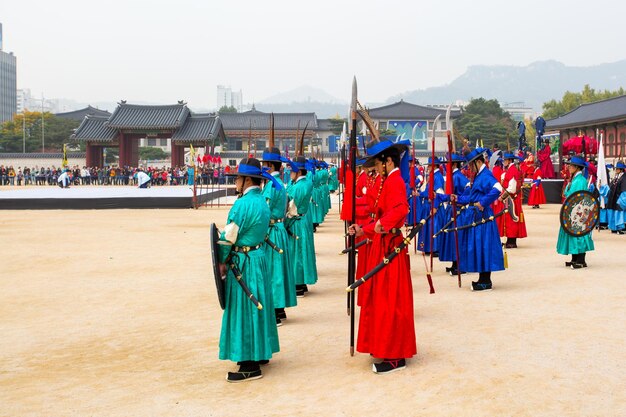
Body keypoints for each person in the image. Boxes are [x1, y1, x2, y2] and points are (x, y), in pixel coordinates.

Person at [348, 139, 416, 374]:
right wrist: (363, 229)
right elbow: (380, 214)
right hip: (382, 244)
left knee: (391, 300)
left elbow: (400, 209)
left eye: (377, 164)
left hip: (391, 248)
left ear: (388, 161)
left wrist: (382, 225)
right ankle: (383, 345)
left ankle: (396, 355)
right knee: (381, 299)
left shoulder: (395, 180)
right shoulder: (388, 180)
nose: (375, 169)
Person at [218, 157, 279, 382]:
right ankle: (261, 352)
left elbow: (229, 236)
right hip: (259, 257)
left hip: (244, 261)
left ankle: (249, 364)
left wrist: (222, 260)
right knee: (259, 305)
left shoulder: (242, 204)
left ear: (246, 180)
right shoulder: (262, 201)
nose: (235, 181)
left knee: (246, 308)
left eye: (237, 178)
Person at [450, 147, 505, 291]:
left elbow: (498, 188)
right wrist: (458, 199)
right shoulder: (478, 176)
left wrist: (483, 203)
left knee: (485, 245)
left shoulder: (485, 175)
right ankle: (483, 278)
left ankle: (486, 281)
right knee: (480, 246)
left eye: (471, 165)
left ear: (478, 162)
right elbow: (473, 197)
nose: (469, 168)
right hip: (477, 215)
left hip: (483, 216)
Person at [260, 147, 297, 326]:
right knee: (279, 269)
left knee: (273, 271)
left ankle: (275, 310)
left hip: (272, 231)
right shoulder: (280, 184)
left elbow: (264, 211)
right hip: (280, 228)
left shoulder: (270, 185)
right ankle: (280, 310)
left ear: (268, 165)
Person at [285, 156, 318, 297]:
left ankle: (298, 284)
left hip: (296, 221)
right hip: (303, 220)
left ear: (298, 172)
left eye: (292, 171)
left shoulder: (297, 187)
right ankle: (302, 283)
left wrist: (284, 223)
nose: (290, 174)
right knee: (303, 251)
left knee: (296, 253)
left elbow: (290, 207)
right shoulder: (308, 183)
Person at [556, 156, 595, 268]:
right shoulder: (575, 179)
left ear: (577, 167)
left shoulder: (579, 180)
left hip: (578, 212)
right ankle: (575, 258)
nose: (568, 167)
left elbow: (575, 197)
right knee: (573, 234)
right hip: (573, 211)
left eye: (571, 165)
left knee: (578, 235)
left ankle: (581, 260)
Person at [500, 153, 527, 248]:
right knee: (510, 219)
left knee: (512, 219)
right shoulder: (512, 170)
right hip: (512, 198)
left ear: (509, 161)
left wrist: (502, 197)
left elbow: (512, 188)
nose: (503, 162)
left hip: (511, 199)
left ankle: (512, 241)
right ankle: (509, 240)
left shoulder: (512, 171)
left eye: (505, 160)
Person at [606, 161, 626, 234]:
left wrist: (622, 200)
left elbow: (624, 189)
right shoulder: (616, 177)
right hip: (613, 198)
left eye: (617, 169)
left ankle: (620, 227)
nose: (616, 170)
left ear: (621, 169)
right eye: (616, 169)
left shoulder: (624, 177)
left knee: (619, 212)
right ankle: (613, 227)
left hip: (619, 197)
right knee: (613, 212)